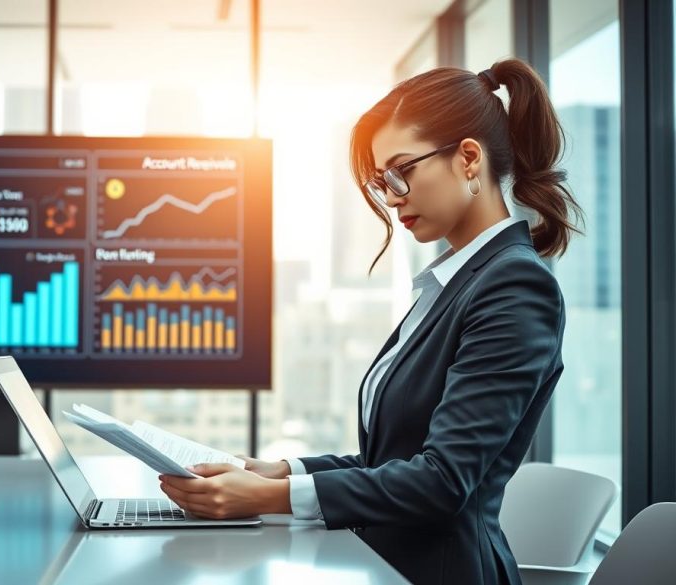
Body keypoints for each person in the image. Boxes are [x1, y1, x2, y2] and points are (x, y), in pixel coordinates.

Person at [159, 58, 583, 585]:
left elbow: (443, 481)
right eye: (382, 180)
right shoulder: (457, 282)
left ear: (468, 158)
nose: (390, 196)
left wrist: (271, 498)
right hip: (386, 564)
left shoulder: (515, 287)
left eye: (401, 170)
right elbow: (394, 457)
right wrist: (285, 472)